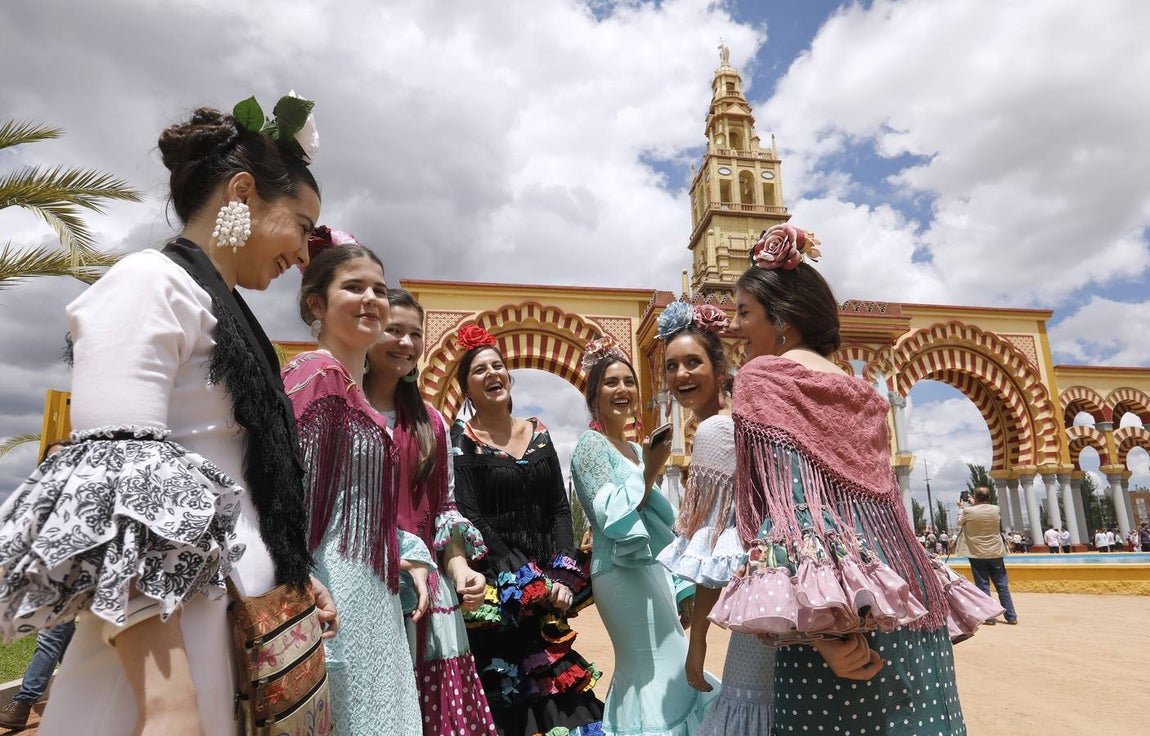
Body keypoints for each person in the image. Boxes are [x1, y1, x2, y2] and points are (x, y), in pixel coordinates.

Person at [0, 99, 337, 736]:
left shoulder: (226, 308)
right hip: (165, 661)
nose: (305, 252)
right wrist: (168, 702)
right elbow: (114, 485)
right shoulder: (149, 282)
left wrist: (288, 574)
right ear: (243, 192)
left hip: (229, 635)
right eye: (301, 226)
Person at [709, 224, 969, 733]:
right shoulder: (864, 393)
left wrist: (827, 636)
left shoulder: (764, 379)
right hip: (905, 597)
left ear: (782, 319)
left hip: (839, 620)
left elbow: (793, 511)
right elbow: (885, 513)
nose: (736, 328)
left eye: (744, 313)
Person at [283, 232, 433, 735]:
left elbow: (360, 508)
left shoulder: (354, 394)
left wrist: (406, 551)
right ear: (316, 304)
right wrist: (301, 581)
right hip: (334, 590)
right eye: (354, 287)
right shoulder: (316, 375)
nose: (371, 298)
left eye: (380, 290)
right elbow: (287, 498)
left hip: (372, 592)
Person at [449, 326, 604, 736]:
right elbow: (471, 516)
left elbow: (559, 509)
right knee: (509, 700)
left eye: (497, 365)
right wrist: (524, 577)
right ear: (467, 388)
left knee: (560, 695)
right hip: (499, 588)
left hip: (548, 588)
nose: (492, 373)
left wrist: (562, 575)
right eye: (479, 370)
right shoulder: (461, 440)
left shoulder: (538, 432)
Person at [363, 288, 497, 736]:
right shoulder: (342, 409)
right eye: (393, 330)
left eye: (415, 334)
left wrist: (460, 570)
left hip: (425, 596)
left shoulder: (432, 424)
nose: (406, 343)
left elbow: (443, 510)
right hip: (363, 585)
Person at [570, 335, 717, 735]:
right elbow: (610, 514)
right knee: (647, 668)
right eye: (611, 383)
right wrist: (651, 470)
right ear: (594, 397)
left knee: (673, 664)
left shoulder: (636, 451)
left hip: (653, 571)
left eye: (629, 382)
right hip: (618, 573)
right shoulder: (590, 445)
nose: (623, 390)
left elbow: (662, 526)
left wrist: (682, 587)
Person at [654, 302, 777, 735]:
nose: (681, 375)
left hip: (764, 590)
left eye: (693, 362)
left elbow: (712, 546)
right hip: (782, 582)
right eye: (671, 366)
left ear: (719, 368)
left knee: (748, 705)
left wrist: (698, 642)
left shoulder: (713, 430)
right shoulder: (738, 419)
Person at [0, 441, 73, 731]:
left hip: (69, 583)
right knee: (67, 642)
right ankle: (88, 689)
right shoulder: (37, 499)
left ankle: (23, 703)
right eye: (52, 459)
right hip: (42, 581)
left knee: (50, 638)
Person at [955, 487, 1019, 625]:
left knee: (983, 585)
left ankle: (989, 617)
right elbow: (983, 512)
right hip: (995, 552)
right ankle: (1011, 616)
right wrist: (976, 504)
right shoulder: (995, 509)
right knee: (1002, 585)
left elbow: (960, 522)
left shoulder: (968, 511)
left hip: (977, 553)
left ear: (975, 497)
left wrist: (961, 507)